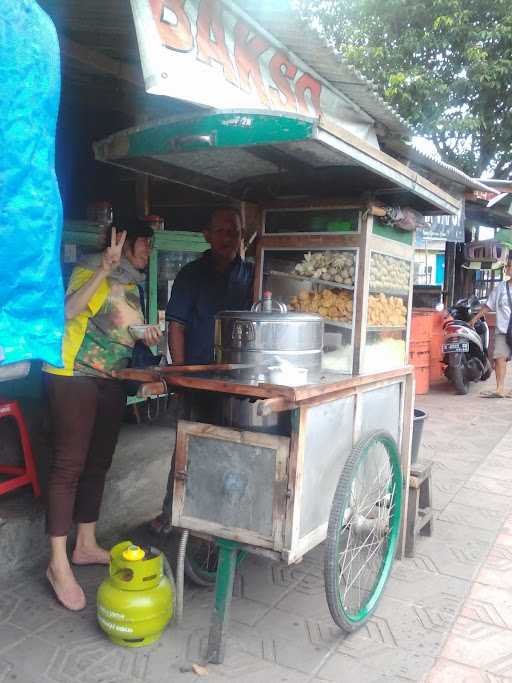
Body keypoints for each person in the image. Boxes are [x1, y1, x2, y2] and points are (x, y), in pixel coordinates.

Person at [43, 222, 161, 610]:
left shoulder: (133, 283)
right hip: (74, 374)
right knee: (68, 467)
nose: (150, 249)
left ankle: (86, 544)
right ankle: (57, 564)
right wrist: (103, 269)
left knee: (98, 464)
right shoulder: (93, 268)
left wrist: (146, 336)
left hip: (112, 380)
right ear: (123, 241)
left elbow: (123, 331)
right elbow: (68, 310)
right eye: (146, 241)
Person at [150, 207, 254, 533]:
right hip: (198, 377)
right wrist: (180, 375)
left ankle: (221, 515)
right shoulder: (191, 274)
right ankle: (172, 512)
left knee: (234, 445)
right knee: (188, 444)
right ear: (207, 235)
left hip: (241, 380)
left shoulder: (251, 273)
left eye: (234, 232)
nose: (228, 238)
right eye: (221, 231)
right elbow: (176, 326)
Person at [470, 256, 512, 398]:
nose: (508, 269)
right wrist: (474, 319)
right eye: (508, 267)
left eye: (509, 266)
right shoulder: (501, 288)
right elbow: (489, 305)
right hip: (503, 330)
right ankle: (500, 389)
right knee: (500, 358)